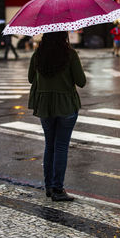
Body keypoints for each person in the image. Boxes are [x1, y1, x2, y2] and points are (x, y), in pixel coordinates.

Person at [28, 31, 86, 202]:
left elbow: (31, 78)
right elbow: (81, 81)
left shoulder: (38, 54)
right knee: (61, 147)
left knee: (50, 145)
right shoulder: (70, 54)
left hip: (45, 106)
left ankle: (49, 187)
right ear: (63, 35)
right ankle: (58, 189)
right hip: (66, 105)